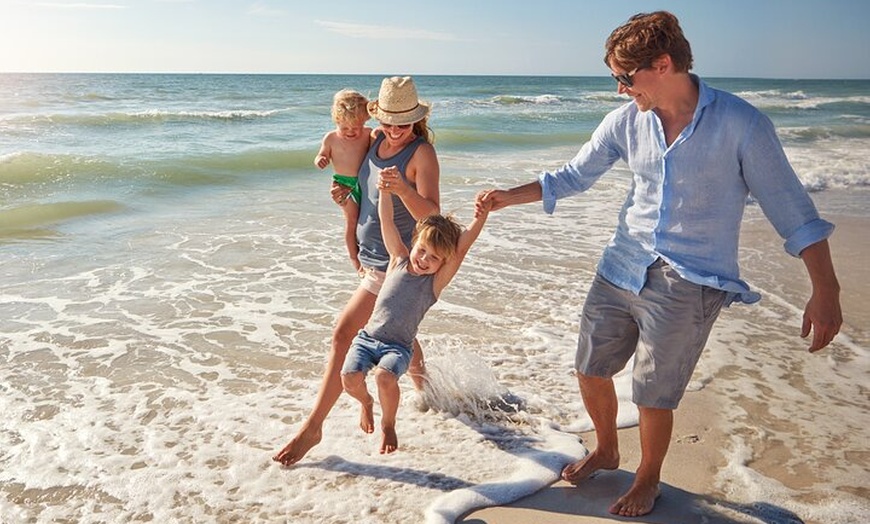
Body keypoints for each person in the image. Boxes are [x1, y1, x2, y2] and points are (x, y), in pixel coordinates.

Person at [479, 11, 842, 518]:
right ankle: (607, 449)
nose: (621, 90)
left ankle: (648, 477)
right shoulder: (626, 121)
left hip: (691, 278)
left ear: (664, 64)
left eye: (625, 79)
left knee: (653, 392)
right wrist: (505, 197)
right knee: (590, 367)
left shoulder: (742, 125)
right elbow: (573, 176)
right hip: (622, 262)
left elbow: (795, 214)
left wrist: (826, 291)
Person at [274, 76, 441, 466]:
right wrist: (346, 200)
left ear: (416, 121)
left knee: (343, 334)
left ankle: (313, 427)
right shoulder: (373, 142)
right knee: (398, 332)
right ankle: (431, 397)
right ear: (377, 117)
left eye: (404, 124)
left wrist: (402, 190)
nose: (395, 131)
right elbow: (362, 191)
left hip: (398, 263)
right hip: (372, 255)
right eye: (389, 122)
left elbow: (433, 216)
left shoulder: (421, 154)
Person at [342, 175, 491, 454]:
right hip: (366, 339)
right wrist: (385, 192)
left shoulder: (433, 284)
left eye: (433, 258)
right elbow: (387, 222)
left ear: (442, 262)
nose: (424, 260)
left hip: (398, 347)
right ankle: (366, 404)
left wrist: (480, 217)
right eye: (422, 251)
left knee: (384, 378)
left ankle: (388, 424)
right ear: (415, 242)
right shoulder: (399, 259)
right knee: (349, 378)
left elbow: (461, 249)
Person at [314, 89, 373, 274]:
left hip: (366, 183)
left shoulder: (369, 134)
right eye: (345, 127)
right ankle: (355, 260)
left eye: (356, 127)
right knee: (352, 220)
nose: (351, 132)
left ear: (365, 120)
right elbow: (321, 155)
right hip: (344, 185)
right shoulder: (331, 138)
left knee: (369, 221)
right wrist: (320, 160)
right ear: (337, 121)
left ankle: (371, 254)